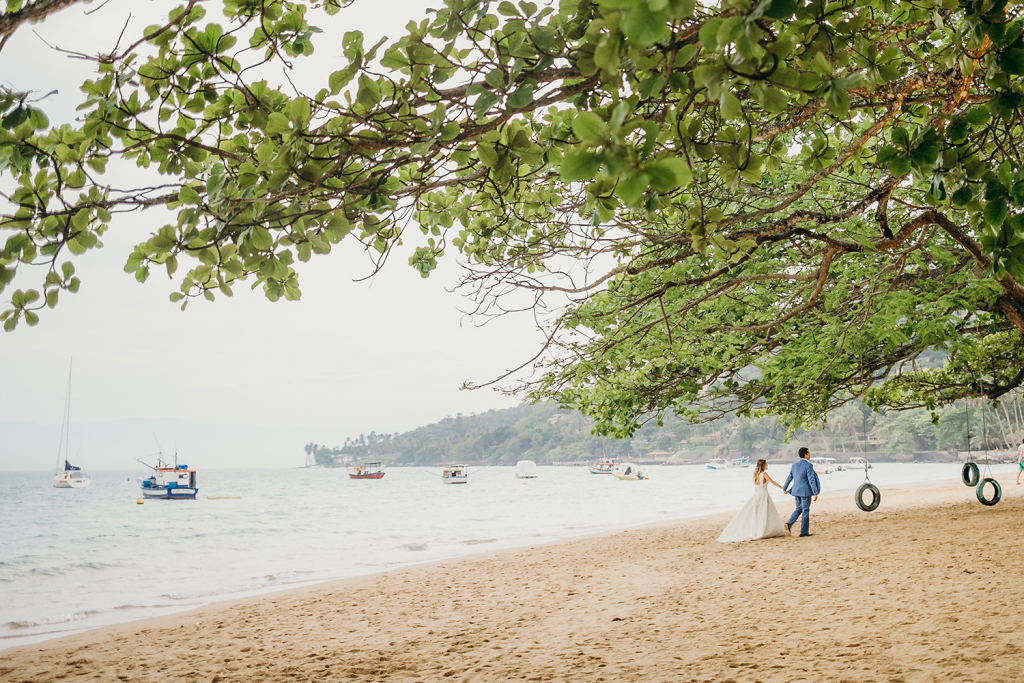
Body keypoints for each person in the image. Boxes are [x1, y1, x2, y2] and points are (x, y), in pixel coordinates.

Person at [716, 459, 787, 543]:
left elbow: (756, 488)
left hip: (757, 496)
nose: (767, 466)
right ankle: (764, 530)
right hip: (764, 496)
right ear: (763, 465)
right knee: (765, 513)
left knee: (758, 514)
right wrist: (783, 488)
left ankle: (760, 529)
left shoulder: (756, 475)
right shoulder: (764, 474)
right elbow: (773, 482)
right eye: (766, 464)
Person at [783, 447, 821, 537]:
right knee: (805, 511)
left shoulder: (794, 465)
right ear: (805, 454)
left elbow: (790, 477)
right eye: (808, 453)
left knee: (798, 509)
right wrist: (815, 492)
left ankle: (789, 524)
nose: (809, 455)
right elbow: (811, 480)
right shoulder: (809, 466)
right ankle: (804, 532)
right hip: (805, 491)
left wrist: (785, 488)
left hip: (796, 490)